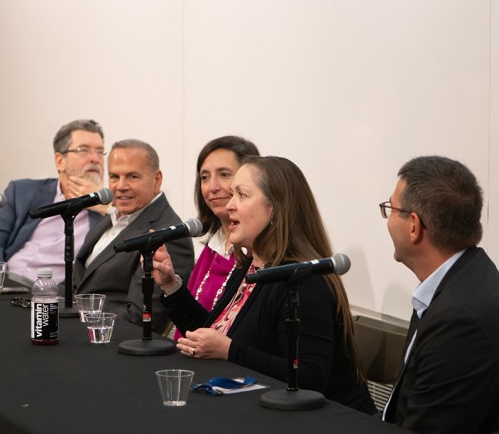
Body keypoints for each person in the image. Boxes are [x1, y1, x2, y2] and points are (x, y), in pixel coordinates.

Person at [153, 156, 375, 414]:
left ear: (276, 209)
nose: (229, 205)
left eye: (242, 195)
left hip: (335, 431)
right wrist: (171, 285)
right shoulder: (250, 265)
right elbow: (211, 333)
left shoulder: (303, 282)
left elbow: (309, 378)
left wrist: (230, 351)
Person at [380, 155, 499, 434]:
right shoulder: (464, 275)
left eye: (391, 209)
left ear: (414, 227)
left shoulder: (463, 319)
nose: (388, 218)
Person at [73, 139, 194, 334]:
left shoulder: (168, 234)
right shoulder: (111, 217)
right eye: (114, 176)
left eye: (132, 176)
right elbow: (77, 281)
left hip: (110, 341)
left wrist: (76, 318)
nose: (121, 186)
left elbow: (139, 318)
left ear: (157, 179)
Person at [0, 119, 106, 285]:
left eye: (100, 151)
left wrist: (105, 208)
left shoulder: (107, 213)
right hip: (5, 283)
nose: (95, 158)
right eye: (84, 150)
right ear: (59, 161)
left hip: (50, 297)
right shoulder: (22, 191)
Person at [174, 136, 260, 340]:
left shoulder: (258, 255)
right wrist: (170, 285)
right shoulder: (213, 246)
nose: (212, 186)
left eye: (224, 174)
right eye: (204, 177)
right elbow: (203, 325)